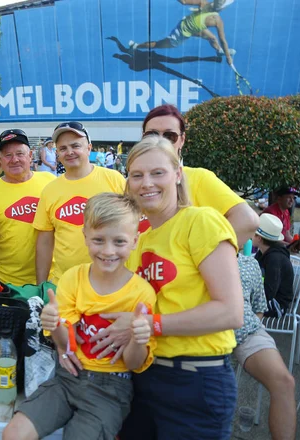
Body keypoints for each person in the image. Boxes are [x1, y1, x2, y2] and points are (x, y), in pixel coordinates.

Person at [103, 136, 243, 439]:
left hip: (195, 383)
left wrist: (149, 325)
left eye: (157, 173)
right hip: (145, 380)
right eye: (136, 175)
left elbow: (231, 312)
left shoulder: (201, 221)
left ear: (178, 174)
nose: (146, 183)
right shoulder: (139, 241)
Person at [3, 193, 156, 440]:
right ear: (85, 236)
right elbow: (68, 344)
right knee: (13, 433)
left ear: (135, 241)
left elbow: (134, 363)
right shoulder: (73, 278)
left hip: (111, 388)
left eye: (119, 241)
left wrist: (138, 338)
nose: (108, 251)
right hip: (67, 378)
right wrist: (54, 325)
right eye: (98, 240)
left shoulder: (142, 292)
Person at [138, 104, 259, 248]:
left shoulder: (198, 178)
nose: (160, 141)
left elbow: (247, 220)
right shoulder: (133, 182)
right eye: (152, 134)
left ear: (182, 140)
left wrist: (202, 257)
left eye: (170, 136)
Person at [33, 122, 126, 284]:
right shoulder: (50, 190)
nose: (69, 152)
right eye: (63, 148)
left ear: (89, 148)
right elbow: (45, 243)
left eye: (75, 146)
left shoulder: (114, 180)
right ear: (57, 154)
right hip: (65, 284)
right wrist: (41, 286)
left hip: (111, 281)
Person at [235, 254, 296, 440]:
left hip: (244, 330)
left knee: (285, 382)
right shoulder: (195, 252)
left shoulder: (248, 262)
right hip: (203, 334)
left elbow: (259, 309)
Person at [0, 129, 56, 286]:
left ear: (30, 155)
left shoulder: (50, 182)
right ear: (0, 159)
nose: (14, 159)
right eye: (8, 155)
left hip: (51, 279)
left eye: (19, 153)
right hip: (8, 282)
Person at [129, 9, 235, 65]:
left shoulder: (212, 10)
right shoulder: (215, 15)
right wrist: (229, 58)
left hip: (194, 27)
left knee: (212, 38)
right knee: (159, 45)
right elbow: (223, 39)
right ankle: (136, 46)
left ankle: (219, 51)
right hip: (181, 32)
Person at [252, 214, 294, 318]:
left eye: (253, 232)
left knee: (238, 306)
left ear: (259, 238)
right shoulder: (262, 252)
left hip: (277, 304)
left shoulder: (274, 259)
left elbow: (269, 292)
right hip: (266, 298)